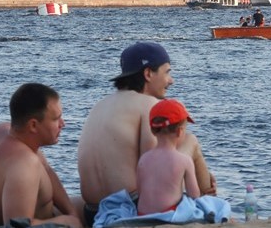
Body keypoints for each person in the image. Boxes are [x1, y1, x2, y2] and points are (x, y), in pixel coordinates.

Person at [77, 42, 215, 227]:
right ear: (148, 73)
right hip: (131, 208)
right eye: (167, 72)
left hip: (93, 212)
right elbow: (157, 170)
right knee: (190, 140)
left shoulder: (100, 105)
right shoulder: (148, 104)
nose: (171, 80)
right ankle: (207, 200)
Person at [0, 83, 81, 228]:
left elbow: (47, 170)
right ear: (33, 125)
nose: (63, 124)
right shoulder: (24, 165)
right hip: (3, 224)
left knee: (84, 207)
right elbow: (18, 226)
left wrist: (72, 213)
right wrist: (67, 222)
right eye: (56, 119)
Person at [136, 99, 201, 215]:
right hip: (168, 214)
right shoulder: (184, 160)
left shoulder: (143, 159)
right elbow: (195, 196)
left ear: (152, 131)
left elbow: (141, 193)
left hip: (142, 214)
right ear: (180, 132)